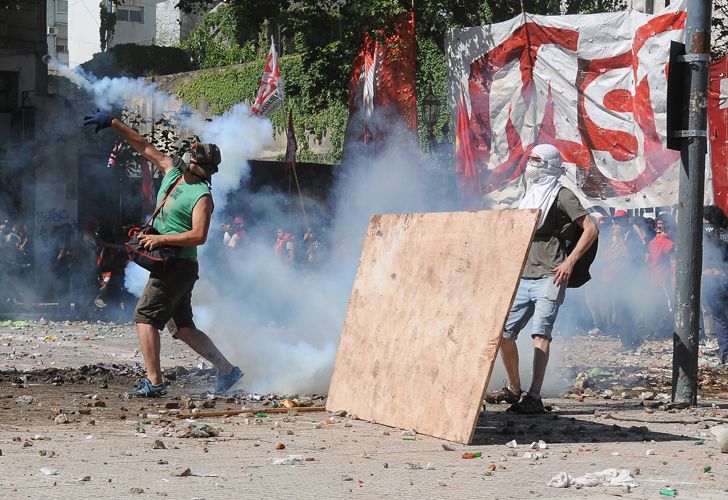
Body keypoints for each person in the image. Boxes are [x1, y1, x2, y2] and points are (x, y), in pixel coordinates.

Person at [84, 110, 243, 397]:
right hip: (172, 267)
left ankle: (155, 382)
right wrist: (113, 123)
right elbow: (143, 146)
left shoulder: (202, 197)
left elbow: (199, 236)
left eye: (199, 162)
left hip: (177, 266)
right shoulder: (172, 172)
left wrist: (162, 239)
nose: (192, 162)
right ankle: (228, 370)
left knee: (145, 317)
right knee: (182, 328)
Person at [487, 144, 598, 414]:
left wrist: (569, 262)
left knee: (541, 334)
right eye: (531, 159)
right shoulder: (530, 195)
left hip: (550, 275)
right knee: (503, 333)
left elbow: (591, 228)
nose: (531, 165)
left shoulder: (561, 196)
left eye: (537, 160)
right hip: (524, 274)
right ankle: (515, 389)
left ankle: (534, 396)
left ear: (549, 164)